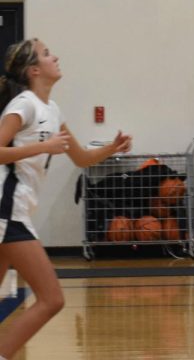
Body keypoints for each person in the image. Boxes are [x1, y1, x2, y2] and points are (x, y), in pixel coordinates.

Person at [0, 39, 133, 360]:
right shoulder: (24, 104)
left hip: (17, 210)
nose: (55, 56)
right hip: (7, 210)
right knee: (52, 298)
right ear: (34, 70)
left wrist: (111, 149)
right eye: (47, 54)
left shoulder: (51, 109)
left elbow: (81, 158)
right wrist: (42, 147)